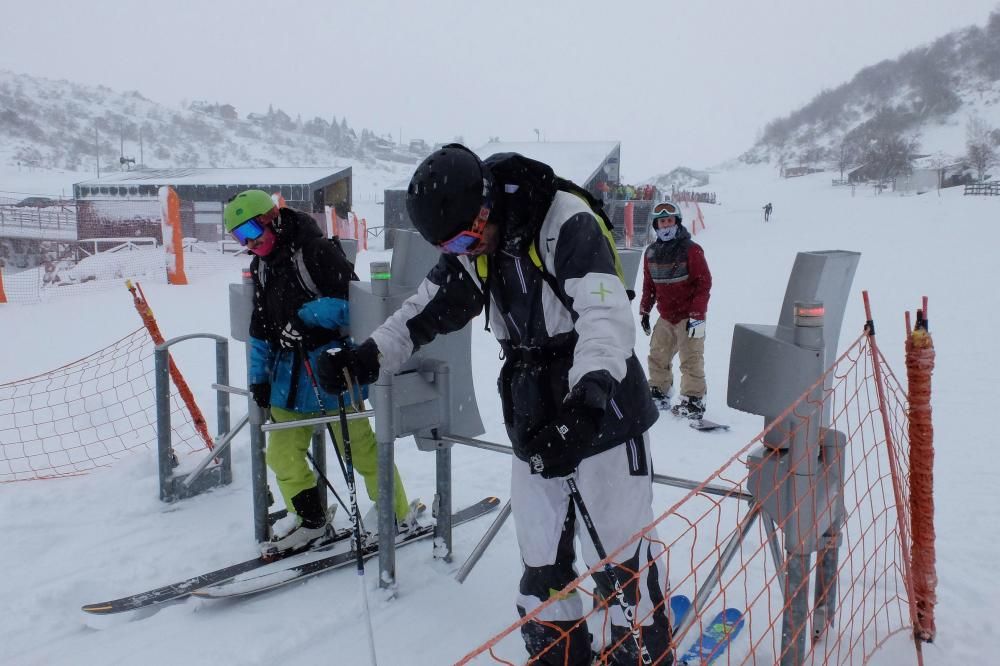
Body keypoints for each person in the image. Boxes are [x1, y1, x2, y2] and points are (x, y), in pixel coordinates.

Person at [316, 145, 672, 665]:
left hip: (603, 408)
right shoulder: (470, 246)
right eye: (450, 246)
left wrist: (586, 405)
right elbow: (423, 311)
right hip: (532, 408)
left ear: (487, 206)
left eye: (465, 239)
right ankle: (559, 654)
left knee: (622, 558)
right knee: (541, 559)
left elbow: (605, 318)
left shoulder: (564, 224)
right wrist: (367, 358)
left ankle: (639, 654)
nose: (464, 252)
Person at [223, 190, 418, 556]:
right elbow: (260, 328)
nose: (250, 243)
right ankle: (311, 520)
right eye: (239, 237)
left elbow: (355, 304)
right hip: (288, 383)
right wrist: (258, 378)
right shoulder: (261, 266)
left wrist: (306, 317)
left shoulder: (316, 252)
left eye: (251, 230)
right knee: (281, 455)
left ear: (271, 218)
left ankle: (396, 512)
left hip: (331, 371)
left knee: (361, 451)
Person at [639, 200, 712, 420]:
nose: (666, 226)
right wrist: (645, 311)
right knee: (657, 355)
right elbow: (649, 285)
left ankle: (693, 399)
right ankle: (659, 391)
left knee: (691, 358)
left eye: (669, 221)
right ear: (656, 225)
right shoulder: (651, 253)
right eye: (662, 222)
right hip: (666, 315)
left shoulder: (691, 250)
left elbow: (704, 283)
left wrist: (697, 315)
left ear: (677, 222)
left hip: (690, 315)